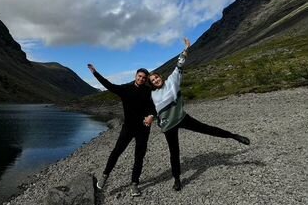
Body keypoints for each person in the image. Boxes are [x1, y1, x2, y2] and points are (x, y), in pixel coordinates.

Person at [148, 38, 250, 191]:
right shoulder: (153, 95)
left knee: (207, 129)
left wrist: (186, 49)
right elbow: (154, 111)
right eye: (152, 80)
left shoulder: (172, 81)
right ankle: (177, 179)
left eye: (156, 77)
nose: (155, 80)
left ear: (160, 77)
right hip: (168, 126)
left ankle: (234, 136)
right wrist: (153, 119)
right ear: (151, 83)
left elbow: (179, 64)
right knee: (174, 153)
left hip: (181, 118)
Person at [87, 64, 156, 196]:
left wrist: (152, 116)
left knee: (139, 156)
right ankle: (105, 176)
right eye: (139, 76)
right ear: (135, 76)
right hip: (128, 128)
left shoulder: (149, 91)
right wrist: (95, 73)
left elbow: (154, 107)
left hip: (143, 128)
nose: (141, 79)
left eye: (144, 77)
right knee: (116, 151)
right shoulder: (125, 89)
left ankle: (134, 184)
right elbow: (109, 85)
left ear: (146, 79)